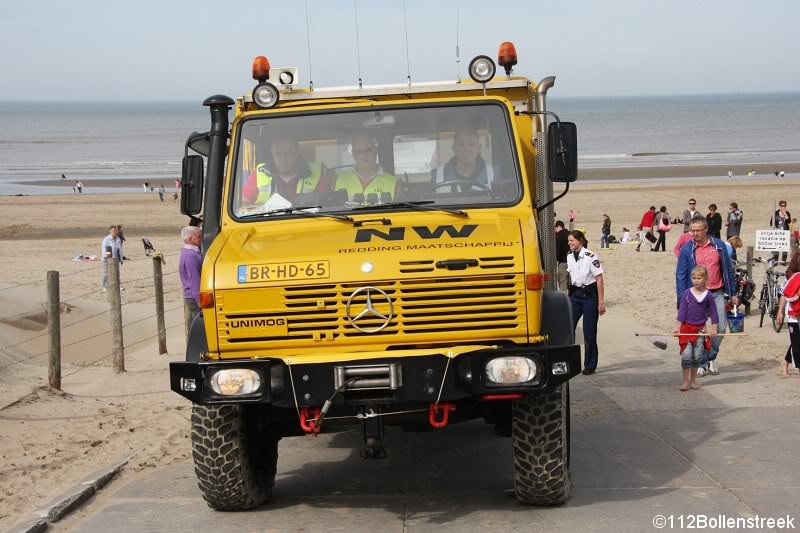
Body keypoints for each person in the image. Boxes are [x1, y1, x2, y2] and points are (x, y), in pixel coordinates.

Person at [676, 216, 738, 377]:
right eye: (692, 230)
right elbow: (681, 274)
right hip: (696, 295)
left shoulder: (718, 246)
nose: (694, 234)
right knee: (699, 330)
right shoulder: (687, 249)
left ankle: (711, 357)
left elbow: (728, 269)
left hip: (716, 292)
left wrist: (733, 293)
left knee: (721, 329)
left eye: (698, 230)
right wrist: (682, 298)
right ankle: (702, 363)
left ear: (705, 230)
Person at [243, 137, 334, 205]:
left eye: (288, 154)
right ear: (272, 152)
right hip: (266, 226)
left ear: (296, 152)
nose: (283, 159)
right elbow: (244, 201)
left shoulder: (316, 172)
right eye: (278, 154)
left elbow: (325, 205)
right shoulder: (259, 172)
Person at [566, 230, 606, 375]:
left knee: (589, 333)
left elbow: (600, 280)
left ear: (580, 241)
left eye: (572, 240)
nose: (570, 243)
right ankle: (568, 362)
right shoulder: (569, 256)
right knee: (568, 329)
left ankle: (590, 365)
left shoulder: (590, 256)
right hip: (575, 295)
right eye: (569, 241)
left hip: (589, 296)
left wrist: (601, 301)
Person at [674, 265, 719, 391]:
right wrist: (677, 328)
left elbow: (714, 313)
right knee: (687, 356)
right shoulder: (687, 293)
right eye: (694, 278)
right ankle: (685, 381)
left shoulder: (708, 295)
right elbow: (681, 312)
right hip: (686, 330)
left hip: (700, 331)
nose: (696, 280)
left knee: (697, 357)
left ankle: (693, 381)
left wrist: (714, 328)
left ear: (705, 279)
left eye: (699, 278)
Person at [336, 133, 402, 202]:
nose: (364, 156)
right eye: (359, 152)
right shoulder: (338, 180)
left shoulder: (394, 183)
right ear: (353, 154)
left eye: (368, 150)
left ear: (376, 150)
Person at [776, 252, 800, 376]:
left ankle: (786, 361)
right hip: (793, 312)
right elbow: (784, 294)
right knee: (796, 342)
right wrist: (780, 312)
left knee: (797, 341)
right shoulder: (795, 277)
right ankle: (788, 363)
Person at [179, 225, 203, 336]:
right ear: (191, 239)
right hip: (194, 297)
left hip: (191, 296)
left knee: (194, 327)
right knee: (199, 329)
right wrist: (200, 302)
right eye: (199, 236)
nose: (201, 238)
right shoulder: (190, 256)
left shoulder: (189, 253)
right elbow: (194, 281)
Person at [100, 225, 123, 291]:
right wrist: (106, 258)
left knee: (117, 272)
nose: (115, 232)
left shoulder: (118, 239)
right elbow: (104, 250)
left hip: (116, 259)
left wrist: (121, 258)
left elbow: (120, 249)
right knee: (106, 273)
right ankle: (104, 286)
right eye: (113, 230)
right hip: (107, 259)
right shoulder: (106, 239)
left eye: (116, 230)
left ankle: (118, 285)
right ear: (110, 231)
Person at [554, 220, 569, 291]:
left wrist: (555, 261)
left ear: (559, 226)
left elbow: (557, 250)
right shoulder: (570, 234)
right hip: (573, 261)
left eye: (555, 228)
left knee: (562, 282)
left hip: (562, 262)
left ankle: (564, 300)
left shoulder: (558, 236)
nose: (555, 230)